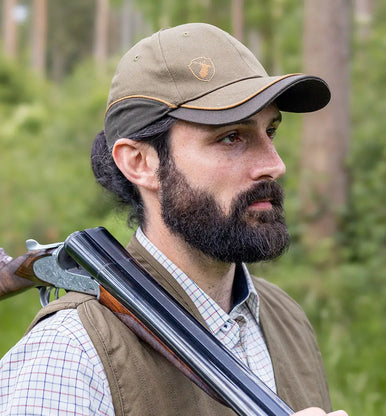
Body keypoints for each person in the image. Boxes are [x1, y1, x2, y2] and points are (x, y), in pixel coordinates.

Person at [0, 23, 348, 416]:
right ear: (140, 162)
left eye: (270, 131)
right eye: (231, 137)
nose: (275, 164)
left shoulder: (286, 317)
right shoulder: (68, 354)